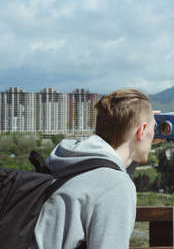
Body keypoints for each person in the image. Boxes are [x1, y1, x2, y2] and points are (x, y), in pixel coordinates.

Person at [30, 89, 160, 249]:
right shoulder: (115, 185)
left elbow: (110, 172)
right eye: (153, 130)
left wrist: (139, 138)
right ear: (141, 130)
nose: (154, 135)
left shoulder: (68, 160)